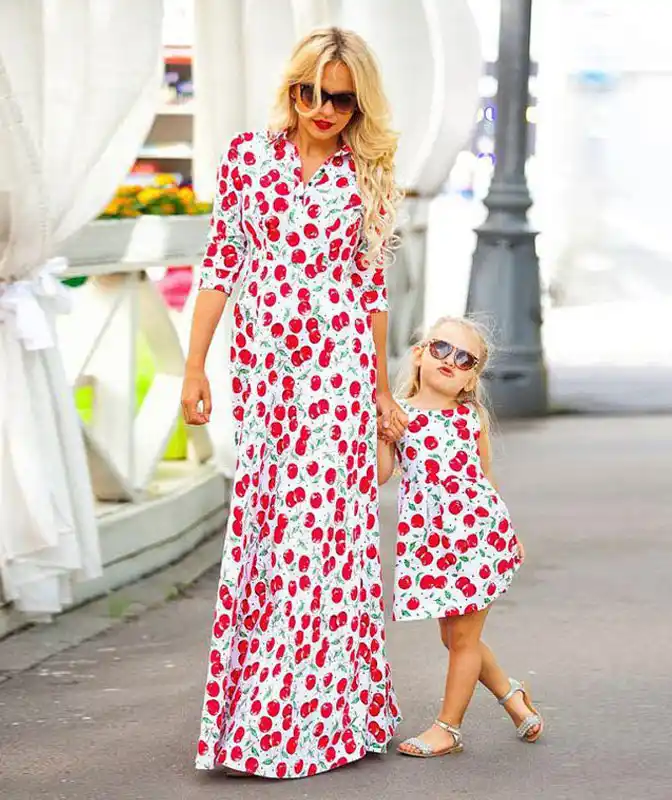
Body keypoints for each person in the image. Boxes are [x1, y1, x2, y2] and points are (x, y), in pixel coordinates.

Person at [181, 27, 408, 780]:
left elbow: (371, 292)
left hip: (337, 381)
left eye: (341, 99)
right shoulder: (249, 157)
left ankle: (307, 722)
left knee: (321, 543)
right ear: (292, 90)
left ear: (358, 102)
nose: (324, 110)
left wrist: (379, 391)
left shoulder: (367, 171)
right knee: (270, 539)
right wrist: (194, 369)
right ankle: (265, 712)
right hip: (266, 382)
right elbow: (222, 262)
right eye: (311, 93)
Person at [377, 316, 544, 758]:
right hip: (431, 546)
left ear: (471, 378)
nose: (451, 361)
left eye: (465, 358)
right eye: (441, 349)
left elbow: (484, 480)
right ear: (418, 354)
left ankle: (447, 728)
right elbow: (380, 475)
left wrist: (508, 532)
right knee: (452, 638)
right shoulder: (398, 411)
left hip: (476, 538)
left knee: (464, 640)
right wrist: (381, 434)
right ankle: (512, 695)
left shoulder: (470, 418)